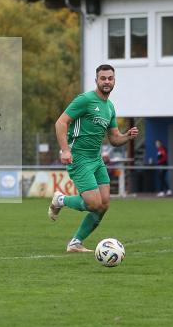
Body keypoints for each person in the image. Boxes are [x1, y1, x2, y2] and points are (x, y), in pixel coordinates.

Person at [48, 64, 138, 253]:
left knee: (103, 205)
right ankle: (60, 200)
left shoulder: (110, 107)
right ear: (96, 80)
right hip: (78, 158)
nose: (107, 81)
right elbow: (61, 122)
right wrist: (65, 150)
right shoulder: (85, 99)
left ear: (114, 81)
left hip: (96, 160)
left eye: (110, 78)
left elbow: (114, 139)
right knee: (93, 203)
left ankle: (75, 243)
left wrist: (127, 136)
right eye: (103, 78)